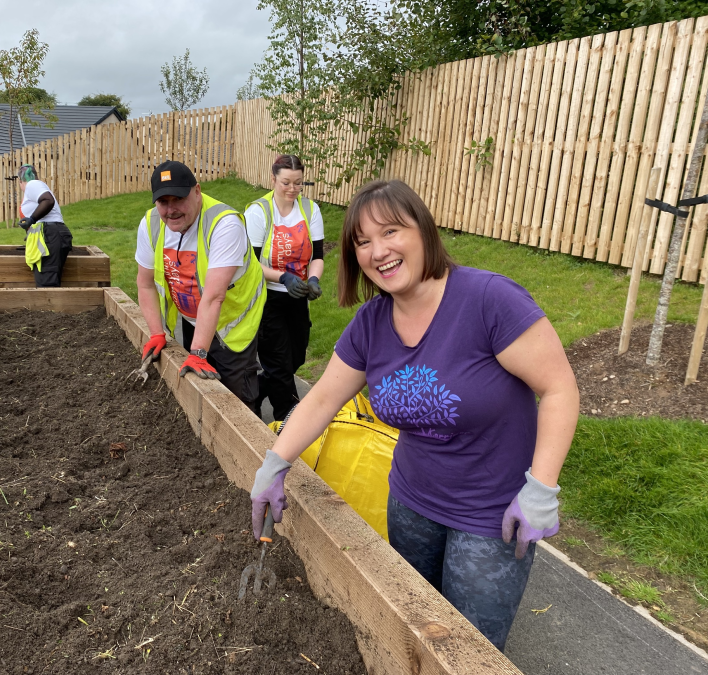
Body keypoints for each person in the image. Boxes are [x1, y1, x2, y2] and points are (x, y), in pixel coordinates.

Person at [249, 179, 579, 651]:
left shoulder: (489, 301)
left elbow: (559, 388)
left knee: (470, 651)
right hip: (411, 503)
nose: (377, 250)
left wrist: (542, 488)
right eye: (362, 241)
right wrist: (274, 463)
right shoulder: (371, 323)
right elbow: (323, 399)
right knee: (418, 631)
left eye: (390, 232)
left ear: (422, 230)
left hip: (490, 515)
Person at [134, 160, 266, 414]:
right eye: (163, 202)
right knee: (198, 393)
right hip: (193, 317)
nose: (171, 210)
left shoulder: (224, 224)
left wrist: (198, 352)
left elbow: (215, 296)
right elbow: (145, 283)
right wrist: (156, 333)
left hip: (233, 325)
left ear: (197, 191)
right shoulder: (151, 224)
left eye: (178, 199)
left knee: (235, 403)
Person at [245, 155, 325, 421]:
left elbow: (318, 256)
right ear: (273, 179)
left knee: (294, 360)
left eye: (298, 183)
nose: (292, 189)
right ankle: (290, 422)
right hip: (267, 298)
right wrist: (282, 278)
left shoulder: (310, 210)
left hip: (297, 297)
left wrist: (313, 279)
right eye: (286, 183)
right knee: (279, 366)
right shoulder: (259, 212)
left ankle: (253, 393)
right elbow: (251, 265)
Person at [17, 164, 73, 287]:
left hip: (49, 235)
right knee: (49, 281)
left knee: (47, 285)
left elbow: (48, 201)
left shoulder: (32, 184)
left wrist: (31, 219)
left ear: (20, 181)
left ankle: (50, 307)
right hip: (51, 234)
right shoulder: (35, 188)